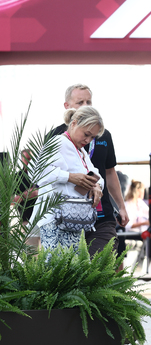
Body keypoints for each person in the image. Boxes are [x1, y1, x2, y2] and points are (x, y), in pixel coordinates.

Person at [51, 84, 129, 255]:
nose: (86, 105)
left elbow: (109, 173)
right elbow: (43, 175)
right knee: (71, 274)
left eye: (89, 101)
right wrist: (70, 177)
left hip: (101, 216)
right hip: (67, 217)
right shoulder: (56, 137)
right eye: (80, 102)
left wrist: (121, 206)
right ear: (67, 106)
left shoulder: (103, 134)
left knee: (102, 268)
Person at [34, 106, 105, 250]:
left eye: (92, 137)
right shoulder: (58, 142)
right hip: (56, 218)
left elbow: (97, 174)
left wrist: (97, 186)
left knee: (67, 268)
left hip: (71, 219)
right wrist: (69, 177)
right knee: (58, 267)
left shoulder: (80, 151)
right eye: (86, 134)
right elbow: (38, 173)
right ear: (74, 123)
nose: (88, 139)